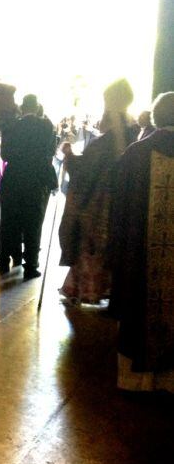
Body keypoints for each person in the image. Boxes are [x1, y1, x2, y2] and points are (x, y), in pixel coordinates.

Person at [110, 92, 174, 392]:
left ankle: (137, 383)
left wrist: (116, 256)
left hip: (140, 258)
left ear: (156, 118)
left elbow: (118, 211)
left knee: (138, 310)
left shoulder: (135, 155)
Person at [58, 79, 138, 305]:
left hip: (98, 201)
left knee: (89, 243)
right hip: (123, 200)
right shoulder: (133, 130)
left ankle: (89, 290)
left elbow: (85, 169)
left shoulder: (107, 139)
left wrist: (69, 154)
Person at [0, 94, 57, 279]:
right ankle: (31, 265)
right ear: (37, 106)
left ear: (22, 107)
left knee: (8, 220)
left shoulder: (11, 126)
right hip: (36, 179)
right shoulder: (46, 126)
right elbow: (51, 152)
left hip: (13, 178)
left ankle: (4, 260)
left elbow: (5, 155)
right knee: (33, 222)